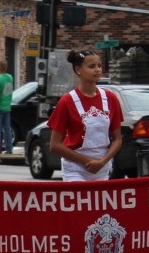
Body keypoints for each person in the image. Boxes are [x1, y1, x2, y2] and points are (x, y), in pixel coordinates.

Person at [46, 49, 124, 182]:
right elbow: (55, 145)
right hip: (75, 169)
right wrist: (87, 161)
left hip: (102, 169)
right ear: (78, 70)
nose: (97, 70)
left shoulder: (111, 98)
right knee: (79, 202)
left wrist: (103, 161)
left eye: (99, 65)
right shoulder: (66, 101)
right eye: (91, 66)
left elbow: (117, 139)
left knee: (99, 203)